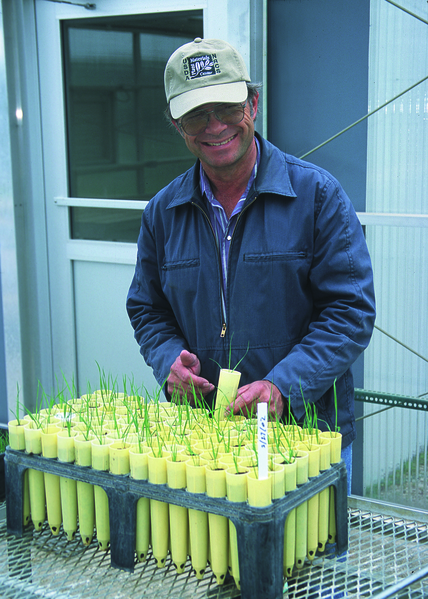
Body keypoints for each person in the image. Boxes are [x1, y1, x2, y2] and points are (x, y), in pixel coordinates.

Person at [126, 38, 376, 483]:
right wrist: (168, 361)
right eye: (196, 114)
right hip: (205, 439)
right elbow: (148, 309)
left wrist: (284, 385)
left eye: (226, 106)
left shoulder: (317, 197)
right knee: (208, 552)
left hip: (307, 440)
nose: (215, 125)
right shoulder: (163, 214)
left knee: (313, 552)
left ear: (253, 104)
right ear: (176, 123)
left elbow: (350, 312)